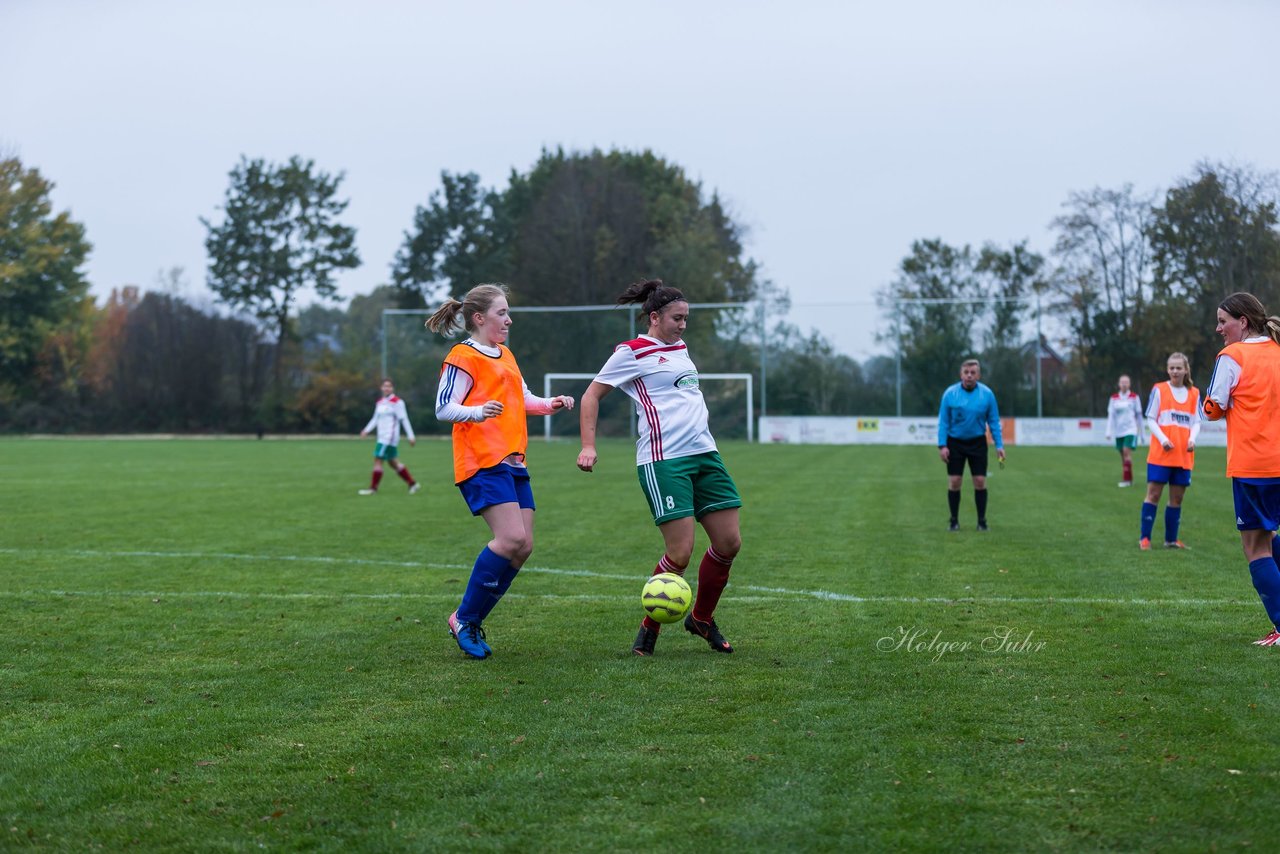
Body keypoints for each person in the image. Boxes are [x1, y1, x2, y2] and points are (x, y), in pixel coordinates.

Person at [577, 279, 743, 657]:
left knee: (729, 543)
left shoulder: (681, 348)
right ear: (655, 317)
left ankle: (701, 618)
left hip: (705, 455)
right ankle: (649, 628)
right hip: (664, 460)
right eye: (676, 318)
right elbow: (591, 395)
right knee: (680, 553)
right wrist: (589, 445)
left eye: (686, 318)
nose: (683, 325)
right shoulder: (631, 352)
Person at [426, 284, 575, 659]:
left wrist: (550, 404)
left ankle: (469, 619)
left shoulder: (505, 354)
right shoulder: (462, 355)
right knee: (509, 539)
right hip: (481, 460)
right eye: (502, 313)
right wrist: (477, 412)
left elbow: (522, 399)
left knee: (523, 547)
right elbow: (445, 408)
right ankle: (465, 618)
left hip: (513, 461)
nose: (508, 320)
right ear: (480, 318)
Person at [1203, 292, 1280, 646]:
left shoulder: (1233, 356)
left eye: (1223, 321)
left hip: (1254, 463)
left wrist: (1215, 405)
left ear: (1243, 322)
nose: (1219, 329)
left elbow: (1213, 407)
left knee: (1255, 547)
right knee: (1268, 537)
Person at [1138, 353, 1199, 550]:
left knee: (1177, 498)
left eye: (1178, 368)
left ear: (1185, 370)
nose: (1174, 371)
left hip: (1183, 455)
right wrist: (1163, 439)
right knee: (1153, 495)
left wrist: (1192, 439)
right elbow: (1151, 418)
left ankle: (1171, 540)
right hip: (1161, 455)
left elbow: (1197, 421)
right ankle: (1145, 538)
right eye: (1171, 368)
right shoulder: (1159, 389)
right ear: (1167, 369)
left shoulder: (1194, 393)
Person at [937, 359, 1006, 532]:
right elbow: (943, 422)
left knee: (980, 481)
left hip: (977, 442)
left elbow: (994, 421)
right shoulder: (950, 394)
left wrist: (999, 445)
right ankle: (954, 521)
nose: (969, 376)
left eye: (973, 372)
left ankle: (982, 522)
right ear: (961, 374)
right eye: (966, 372)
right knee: (954, 481)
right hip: (955, 443)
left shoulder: (987, 395)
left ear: (978, 375)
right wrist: (942, 445)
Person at [358, 378, 419, 496]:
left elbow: (404, 419)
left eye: (389, 386)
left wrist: (411, 436)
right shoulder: (380, 402)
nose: (387, 388)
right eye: (384, 386)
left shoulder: (397, 402)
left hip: (389, 438)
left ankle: (373, 489)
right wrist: (366, 430)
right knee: (393, 463)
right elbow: (375, 419)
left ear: (393, 388)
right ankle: (412, 484)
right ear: (381, 388)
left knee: (378, 460)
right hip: (381, 437)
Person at [1104, 374, 1143, 487]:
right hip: (1119, 431)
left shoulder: (1135, 397)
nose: (1124, 384)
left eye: (1126, 382)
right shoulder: (1114, 398)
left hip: (1131, 430)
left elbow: (1139, 416)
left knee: (1126, 452)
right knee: (1122, 455)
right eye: (1122, 382)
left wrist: (1142, 433)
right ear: (1119, 384)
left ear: (1129, 384)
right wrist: (1108, 431)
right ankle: (1129, 479)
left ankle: (1126, 481)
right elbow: (1111, 416)